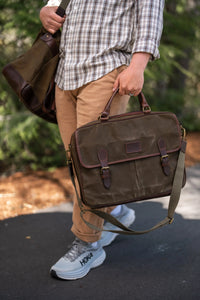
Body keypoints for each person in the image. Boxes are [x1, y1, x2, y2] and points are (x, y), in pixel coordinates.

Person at [40, 0, 164, 280]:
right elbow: (55, 5)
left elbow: (150, 13)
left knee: (92, 166)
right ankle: (115, 210)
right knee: (77, 161)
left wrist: (138, 66)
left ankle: (87, 243)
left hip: (107, 71)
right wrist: (46, 11)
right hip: (65, 73)